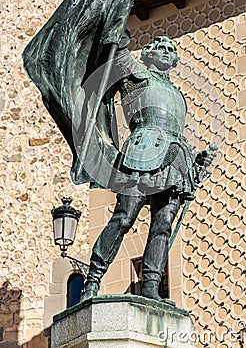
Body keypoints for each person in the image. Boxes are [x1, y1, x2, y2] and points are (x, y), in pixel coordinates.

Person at [81, 35, 214, 302]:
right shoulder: (135, 77)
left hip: (176, 157)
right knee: (124, 216)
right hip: (141, 151)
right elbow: (116, 52)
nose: (166, 52)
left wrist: (197, 161)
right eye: (161, 48)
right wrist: (118, 33)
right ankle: (92, 281)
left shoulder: (178, 95)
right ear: (148, 53)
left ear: (174, 60)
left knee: (163, 224)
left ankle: (151, 286)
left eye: (171, 50)